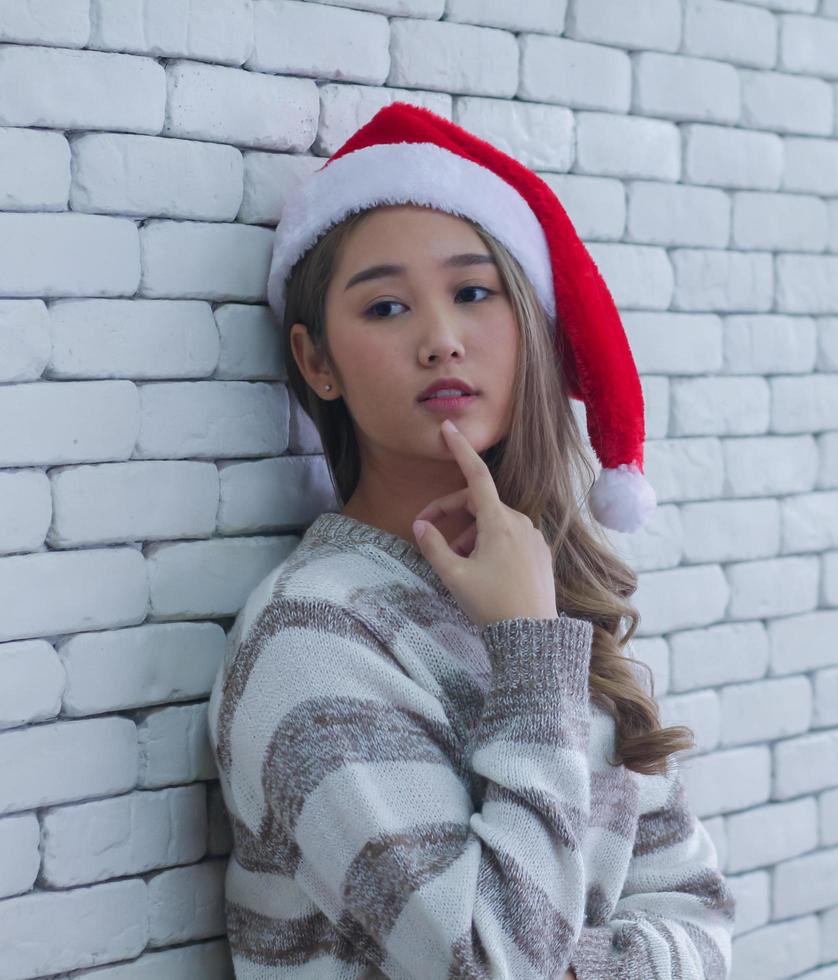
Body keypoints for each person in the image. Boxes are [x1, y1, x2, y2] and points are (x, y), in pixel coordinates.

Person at [207, 102, 736, 979]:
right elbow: (488, 961)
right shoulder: (310, 639)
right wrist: (530, 654)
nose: (442, 340)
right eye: (385, 307)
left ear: (526, 326)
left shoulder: (534, 591)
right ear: (316, 362)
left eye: (474, 292)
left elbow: (702, 920)